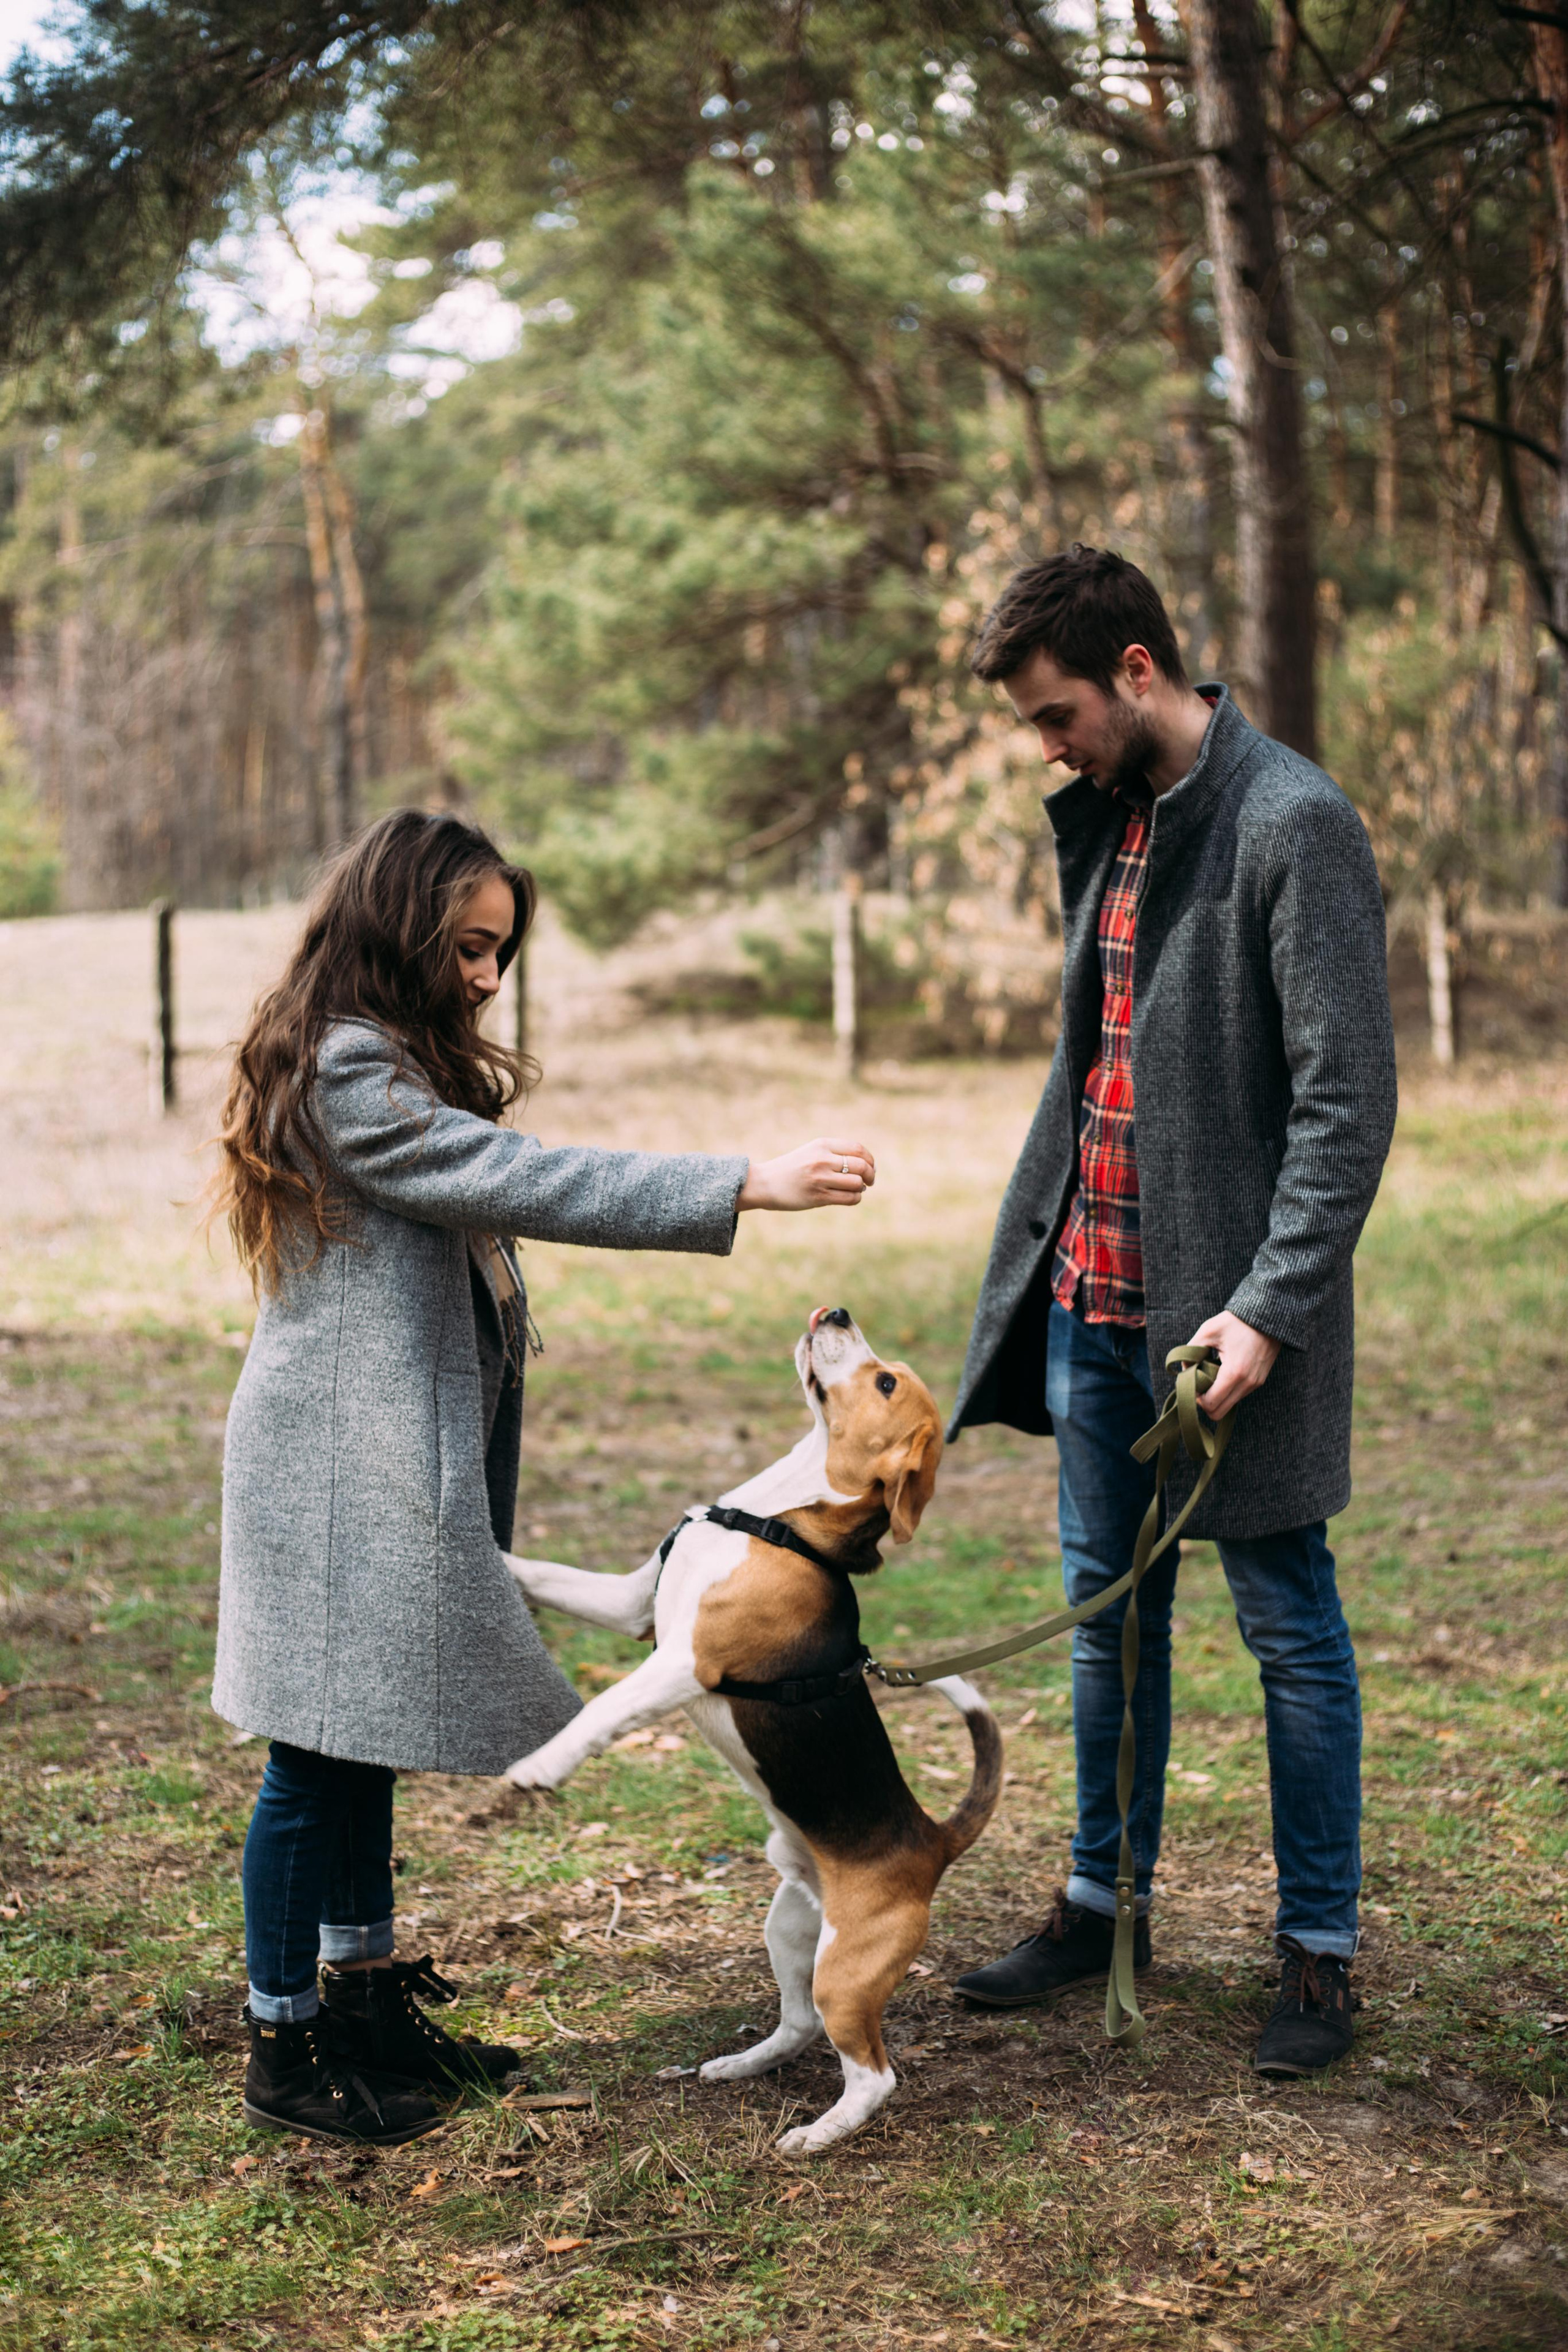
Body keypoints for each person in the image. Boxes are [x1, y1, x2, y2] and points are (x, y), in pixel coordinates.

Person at [211, 807, 876, 2144]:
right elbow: (520, 1175)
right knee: (311, 1765)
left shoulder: (381, 1059)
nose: (486, 978)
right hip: (333, 1478)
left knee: (361, 1749)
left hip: (373, 1464)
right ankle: (283, 2048)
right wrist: (739, 1182)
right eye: (467, 947)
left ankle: (363, 2000)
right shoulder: (349, 1070)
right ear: (401, 928)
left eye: (499, 952)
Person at [946, 546, 1396, 2076]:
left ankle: (1318, 1954)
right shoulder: (1112, 818)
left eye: (1058, 713)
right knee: (1102, 1624)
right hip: (1093, 1304)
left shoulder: (1294, 825)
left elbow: (1346, 1107)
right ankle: (1099, 1902)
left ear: (1137, 667)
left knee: (1288, 1631)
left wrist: (1267, 1310)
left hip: (1227, 1334)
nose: (1048, 747)